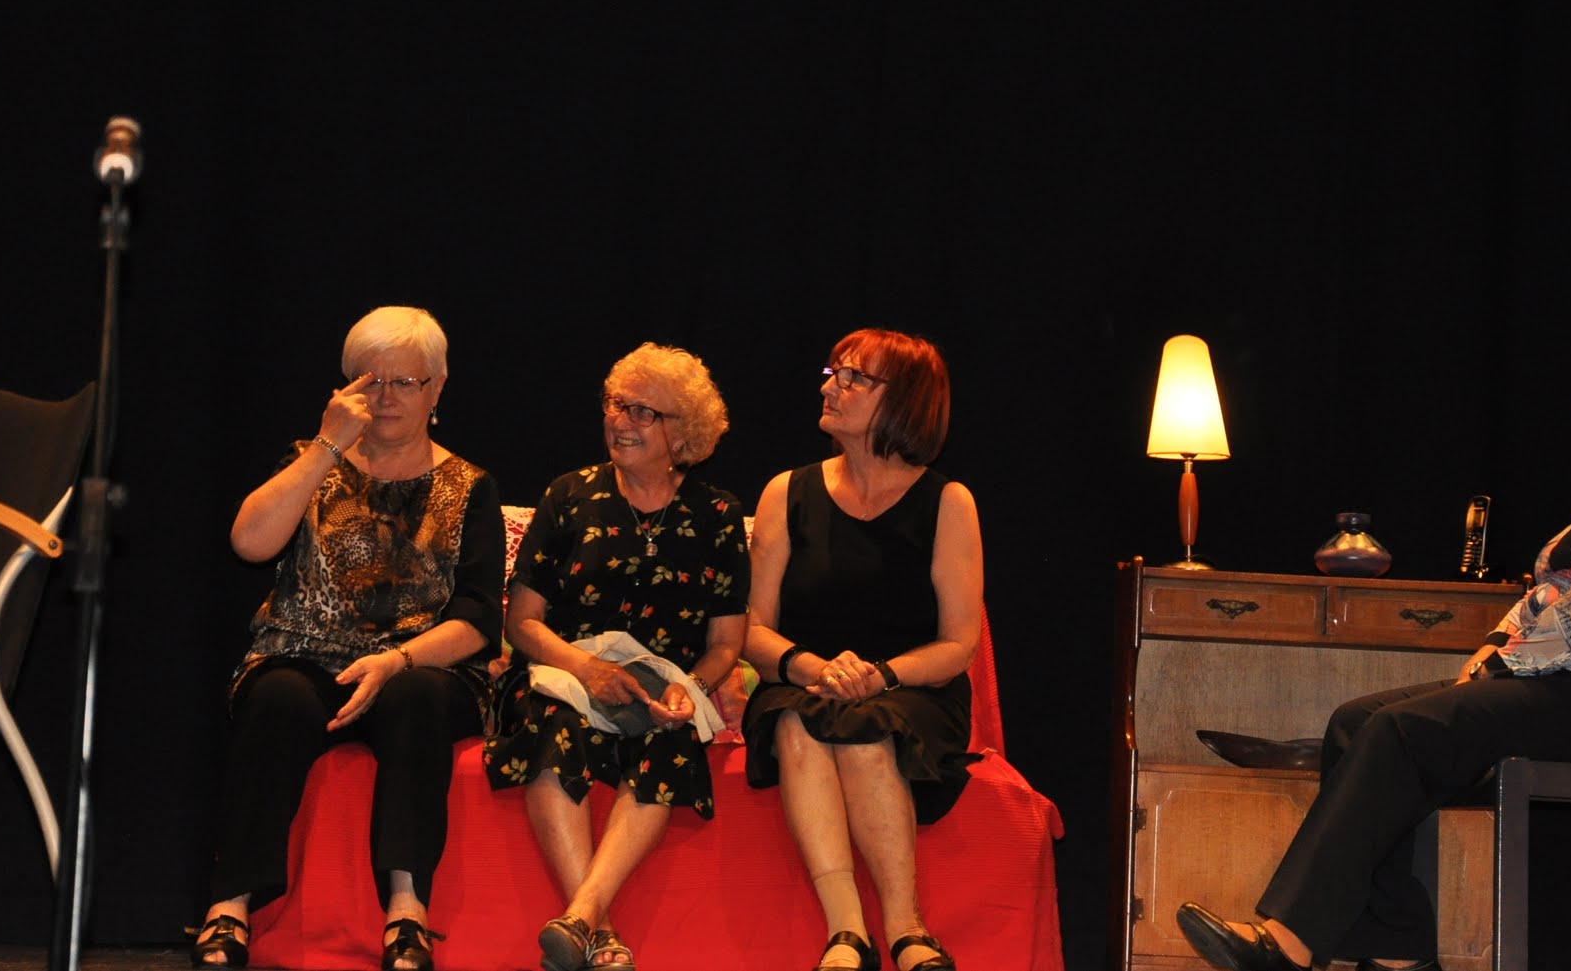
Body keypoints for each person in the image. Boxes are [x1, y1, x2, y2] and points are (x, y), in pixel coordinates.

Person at [1176, 295, 1571, 971]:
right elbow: (1555, 596)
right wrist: (1496, 649)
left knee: (1404, 731)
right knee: (1357, 721)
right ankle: (1394, 950)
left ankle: (1289, 941)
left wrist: (1500, 664)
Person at [191, 307, 504, 971]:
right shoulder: (310, 461)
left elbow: (480, 619)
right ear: (345, 387)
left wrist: (396, 659)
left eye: (404, 382)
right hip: (306, 652)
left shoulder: (469, 485)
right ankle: (229, 905)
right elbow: (249, 542)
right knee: (276, 697)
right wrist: (326, 447)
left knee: (417, 697)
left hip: (418, 662)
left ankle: (407, 912)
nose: (385, 397)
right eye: (370, 380)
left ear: (437, 387)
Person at [481, 343, 750, 971]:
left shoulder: (718, 514)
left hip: (659, 688)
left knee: (671, 739)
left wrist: (690, 688)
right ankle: (599, 933)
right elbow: (522, 623)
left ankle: (580, 917)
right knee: (554, 726)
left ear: (683, 432)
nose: (619, 420)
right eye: (615, 404)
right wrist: (586, 670)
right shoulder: (569, 495)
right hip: (562, 674)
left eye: (642, 412)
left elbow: (726, 644)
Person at [742, 329, 984, 971]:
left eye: (853, 378)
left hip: (911, 690)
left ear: (903, 400)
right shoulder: (786, 492)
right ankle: (847, 931)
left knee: (866, 726)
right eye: (833, 373)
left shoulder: (948, 502)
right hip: (803, 681)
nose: (831, 387)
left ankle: (906, 929)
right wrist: (813, 668)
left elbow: (959, 643)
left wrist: (879, 675)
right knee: (797, 719)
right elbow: (752, 628)